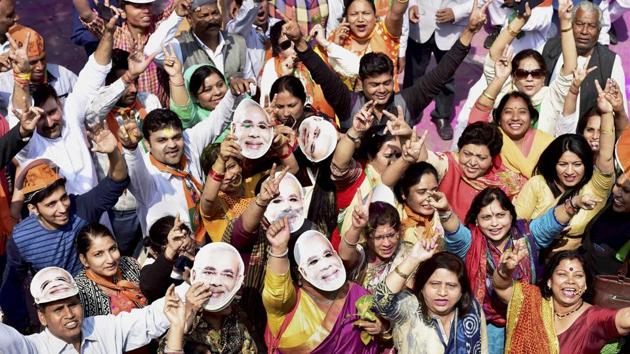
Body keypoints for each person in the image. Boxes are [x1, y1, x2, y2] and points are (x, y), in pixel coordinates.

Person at [434, 187, 599, 353]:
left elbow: (551, 222)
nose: (494, 223)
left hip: (528, 320)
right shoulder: (470, 242)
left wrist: (575, 203)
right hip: (483, 325)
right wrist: (444, 210)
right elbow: (454, 232)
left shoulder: (526, 236)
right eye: (486, 217)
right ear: (476, 220)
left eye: (500, 215)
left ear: (511, 215)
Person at [283, 0, 490, 131]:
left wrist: (470, 31)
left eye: (386, 83)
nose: (381, 90)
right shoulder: (348, 103)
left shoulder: (407, 101)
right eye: (374, 85)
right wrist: (300, 42)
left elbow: (443, 71)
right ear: (361, 83)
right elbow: (321, 73)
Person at [0, 122, 129, 330]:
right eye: (51, 204)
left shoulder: (81, 207)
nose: (62, 208)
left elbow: (117, 181)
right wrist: (20, 329)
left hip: (100, 304)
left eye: (63, 198)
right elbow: (12, 285)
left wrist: (113, 152)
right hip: (61, 316)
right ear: (33, 209)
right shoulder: (21, 239)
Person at [7, 15, 116, 196]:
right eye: (39, 117)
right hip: (56, 222)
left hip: (98, 220)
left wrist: (108, 35)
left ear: (60, 103)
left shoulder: (71, 113)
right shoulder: (29, 146)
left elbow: (94, 73)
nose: (49, 122)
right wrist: (21, 77)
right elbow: (20, 113)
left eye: (52, 112)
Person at [119, 80, 243, 238]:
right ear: (148, 144)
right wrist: (130, 148)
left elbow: (217, 120)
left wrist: (233, 93)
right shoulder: (146, 173)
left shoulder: (189, 142)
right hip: (171, 255)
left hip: (208, 239)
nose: (172, 145)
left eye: (176, 137)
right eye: (162, 140)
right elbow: (135, 170)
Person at [514, 80, 616, 251]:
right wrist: (547, 229)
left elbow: (606, 155)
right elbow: (516, 228)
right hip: (533, 259)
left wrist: (607, 113)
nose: (570, 171)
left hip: (575, 266)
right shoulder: (538, 183)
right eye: (562, 164)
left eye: (577, 164)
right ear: (553, 164)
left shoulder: (595, 187)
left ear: (587, 164)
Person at [262, 217, 381, 353]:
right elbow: (276, 292)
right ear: (299, 273)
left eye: (328, 254)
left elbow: (383, 330)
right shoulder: (285, 307)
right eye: (313, 262)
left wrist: (381, 328)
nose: (326, 265)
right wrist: (278, 249)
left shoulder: (357, 295)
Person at [84, 46, 160, 257]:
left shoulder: (148, 102)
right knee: (123, 257)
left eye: (136, 82)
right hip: (122, 208)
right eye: (127, 84)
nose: (133, 89)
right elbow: (93, 109)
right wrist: (128, 77)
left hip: (152, 196)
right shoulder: (97, 117)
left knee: (153, 255)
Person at [0, 266, 173, 353]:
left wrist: (186, 296)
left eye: (73, 305)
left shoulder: (103, 327)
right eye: (58, 310)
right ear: (42, 317)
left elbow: (149, 319)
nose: (69, 315)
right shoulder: (33, 348)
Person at [493, 250, 630, 354]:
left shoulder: (593, 318)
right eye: (562, 274)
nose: (571, 281)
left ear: (586, 285)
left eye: (578, 276)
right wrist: (504, 272)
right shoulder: (531, 300)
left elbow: (625, 318)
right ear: (549, 281)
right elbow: (502, 287)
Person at [475, 0, 577, 137]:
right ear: (514, 76)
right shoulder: (505, 92)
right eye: (523, 73)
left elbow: (570, 69)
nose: (529, 78)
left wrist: (565, 23)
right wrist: (520, 20)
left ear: (544, 77)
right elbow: (494, 55)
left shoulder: (551, 98)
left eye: (536, 73)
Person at [373, 241, 487, 353]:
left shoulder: (472, 309)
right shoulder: (409, 309)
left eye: (451, 286)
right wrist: (413, 259)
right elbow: (379, 300)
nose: (442, 292)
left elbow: (483, 350)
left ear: (462, 290)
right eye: (434, 284)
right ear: (422, 286)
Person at [73, 0, 188, 106]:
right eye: (138, 6)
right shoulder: (114, 35)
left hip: (163, 114)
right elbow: (87, 15)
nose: (146, 10)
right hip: (128, 116)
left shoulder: (160, 27)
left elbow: (178, 5)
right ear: (123, 8)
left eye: (148, 5)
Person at [542, 0, 628, 131]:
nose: (584, 31)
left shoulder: (610, 62)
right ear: (571, 24)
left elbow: (620, 114)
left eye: (591, 26)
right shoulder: (550, 48)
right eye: (579, 24)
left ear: (599, 31)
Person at [160, 242, 259, 353]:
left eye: (227, 275)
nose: (216, 282)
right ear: (194, 276)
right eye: (209, 272)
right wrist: (180, 325)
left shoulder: (238, 318)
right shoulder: (185, 326)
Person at [404, 0, 472, 140]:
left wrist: (457, 12)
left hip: (452, 29)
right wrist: (411, 5)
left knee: (447, 76)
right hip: (420, 23)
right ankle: (410, 109)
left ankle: (442, 115)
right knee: (413, 71)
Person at [145, 0, 253, 80]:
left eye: (215, 13)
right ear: (190, 19)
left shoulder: (237, 42)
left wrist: (242, 84)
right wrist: (177, 16)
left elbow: (252, 83)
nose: (211, 19)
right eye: (204, 15)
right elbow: (151, 52)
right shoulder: (181, 46)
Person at [469, 89, 554, 179]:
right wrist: (499, 79)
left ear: (531, 118)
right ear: (498, 119)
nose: (515, 117)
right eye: (508, 112)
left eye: (522, 112)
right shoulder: (490, 138)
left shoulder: (547, 143)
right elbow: (478, 115)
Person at [324, 0, 408, 91]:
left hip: (387, 102)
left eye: (366, 13)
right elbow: (327, 78)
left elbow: (397, 14)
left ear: (375, 16)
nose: (360, 19)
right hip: (351, 103)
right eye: (353, 14)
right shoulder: (337, 37)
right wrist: (336, 47)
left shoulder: (385, 32)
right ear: (346, 18)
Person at [258, 21, 334, 118]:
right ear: (278, 50)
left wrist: (325, 42)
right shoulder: (272, 65)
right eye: (286, 45)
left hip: (325, 122)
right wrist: (284, 78)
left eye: (295, 40)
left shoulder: (316, 55)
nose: (293, 46)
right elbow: (267, 107)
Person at [0, 24, 77, 117]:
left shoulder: (62, 74)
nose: (40, 67)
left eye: (43, 59)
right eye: (33, 62)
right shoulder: (3, 85)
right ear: (16, 61)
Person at [340, 198, 415, 292]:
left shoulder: (408, 253)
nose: (387, 243)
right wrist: (355, 228)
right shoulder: (361, 254)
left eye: (391, 235)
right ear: (367, 238)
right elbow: (345, 256)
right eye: (379, 237)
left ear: (399, 231)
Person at [73, 223, 147, 318]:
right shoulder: (81, 292)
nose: (110, 260)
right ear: (84, 260)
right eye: (98, 254)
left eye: (112, 249)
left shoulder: (129, 264)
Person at [162, 42, 233, 129]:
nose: (217, 92)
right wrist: (176, 76)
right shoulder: (196, 119)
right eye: (207, 90)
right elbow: (184, 111)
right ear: (194, 97)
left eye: (220, 85)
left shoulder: (240, 104)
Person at [140, 214, 195, 303]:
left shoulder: (203, 253)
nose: (182, 245)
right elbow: (148, 287)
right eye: (175, 243)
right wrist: (171, 250)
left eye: (184, 237)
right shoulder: (152, 271)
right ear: (156, 252)